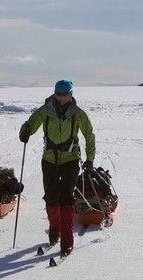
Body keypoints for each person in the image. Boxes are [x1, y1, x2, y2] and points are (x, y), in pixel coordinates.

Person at [19, 79, 97, 258]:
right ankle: (54, 233)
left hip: (70, 160)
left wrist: (90, 160)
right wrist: (25, 131)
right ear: (54, 93)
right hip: (49, 160)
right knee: (51, 198)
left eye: (65, 94)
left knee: (66, 199)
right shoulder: (45, 111)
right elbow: (31, 123)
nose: (62, 98)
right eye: (59, 94)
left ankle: (67, 241)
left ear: (71, 94)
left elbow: (89, 135)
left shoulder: (78, 114)